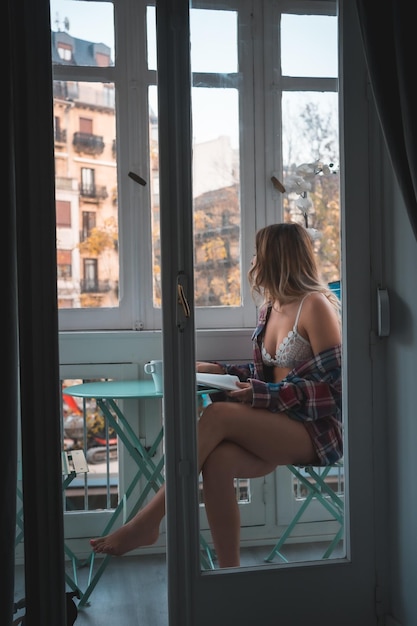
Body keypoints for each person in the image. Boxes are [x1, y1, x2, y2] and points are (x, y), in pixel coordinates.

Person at [90, 222, 342, 568]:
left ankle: (148, 521)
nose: (253, 260)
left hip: (314, 432)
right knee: (218, 461)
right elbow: (267, 377)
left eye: (257, 252)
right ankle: (230, 570)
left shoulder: (316, 306)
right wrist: (221, 371)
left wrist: (260, 396)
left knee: (218, 415)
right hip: (274, 425)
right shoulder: (269, 308)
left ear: (275, 257)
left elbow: (338, 388)